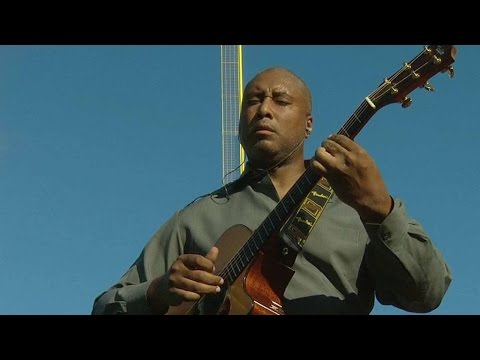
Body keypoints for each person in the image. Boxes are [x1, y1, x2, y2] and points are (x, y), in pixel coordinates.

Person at [92, 67, 452, 315]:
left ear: (309, 124)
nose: (263, 109)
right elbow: (106, 305)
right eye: (253, 100)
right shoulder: (198, 216)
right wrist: (156, 292)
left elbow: (427, 293)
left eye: (280, 101)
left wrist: (379, 209)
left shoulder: (355, 205)